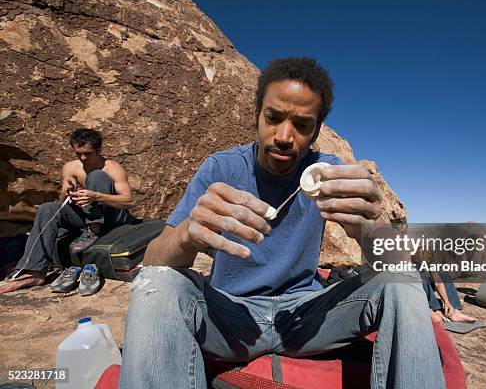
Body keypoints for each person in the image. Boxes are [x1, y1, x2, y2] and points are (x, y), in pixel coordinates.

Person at [120, 57, 445, 389]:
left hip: (306, 317)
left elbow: (396, 263)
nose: (285, 136)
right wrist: (188, 234)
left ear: (317, 130)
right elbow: (153, 261)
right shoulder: (221, 170)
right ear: (257, 115)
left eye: (302, 125)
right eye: (273, 118)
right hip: (233, 316)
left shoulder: (327, 174)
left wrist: (370, 224)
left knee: (401, 278)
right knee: (156, 282)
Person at [0, 129, 135, 295]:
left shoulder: (112, 168)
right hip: (90, 212)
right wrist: (68, 191)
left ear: (99, 150)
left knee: (97, 176)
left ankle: (93, 229)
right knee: (47, 208)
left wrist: (96, 196)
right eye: (79, 154)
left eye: (88, 153)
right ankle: (34, 271)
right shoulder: (71, 167)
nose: (83, 158)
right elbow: (63, 199)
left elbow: (129, 201)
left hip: (114, 215)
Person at [414, 250, 478, 324]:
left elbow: (438, 281)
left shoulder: (427, 255)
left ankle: (455, 312)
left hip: (424, 286)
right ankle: (436, 309)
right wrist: (430, 312)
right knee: (422, 276)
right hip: (414, 288)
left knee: (444, 276)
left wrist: (446, 301)